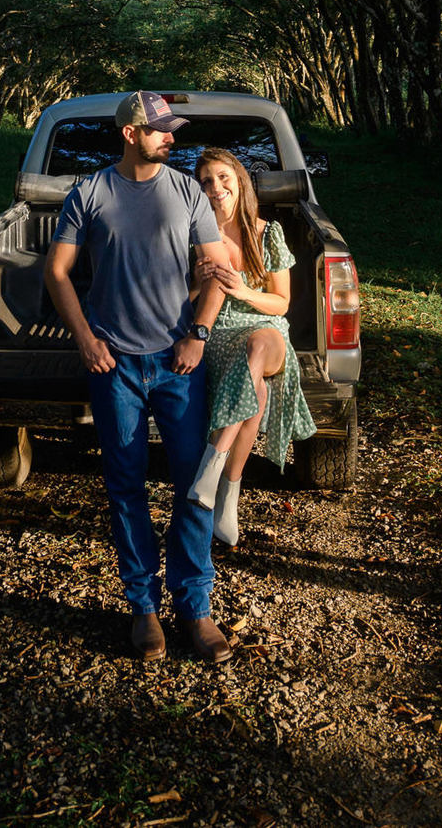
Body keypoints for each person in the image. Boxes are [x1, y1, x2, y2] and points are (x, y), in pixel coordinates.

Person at [43, 91, 234, 664]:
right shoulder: (91, 192)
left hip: (177, 365)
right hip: (115, 365)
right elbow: (57, 272)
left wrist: (197, 335)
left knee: (193, 488)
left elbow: (220, 270)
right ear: (130, 134)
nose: (171, 138)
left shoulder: (185, 192)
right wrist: (85, 337)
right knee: (125, 488)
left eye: (172, 130)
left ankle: (195, 609)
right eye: (160, 130)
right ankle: (144, 609)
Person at [186, 146, 317, 547]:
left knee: (258, 345)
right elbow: (185, 302)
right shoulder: (195, 236)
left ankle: (211, 464)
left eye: (223, 177)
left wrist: (244, 289)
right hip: (220, 332)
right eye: (206, 181)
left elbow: (281, 302)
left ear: (239, 181)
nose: (216, 187)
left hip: (267, 328)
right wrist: (195, 280)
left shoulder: (268, 232)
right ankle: (228, 497)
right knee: (256, 390)